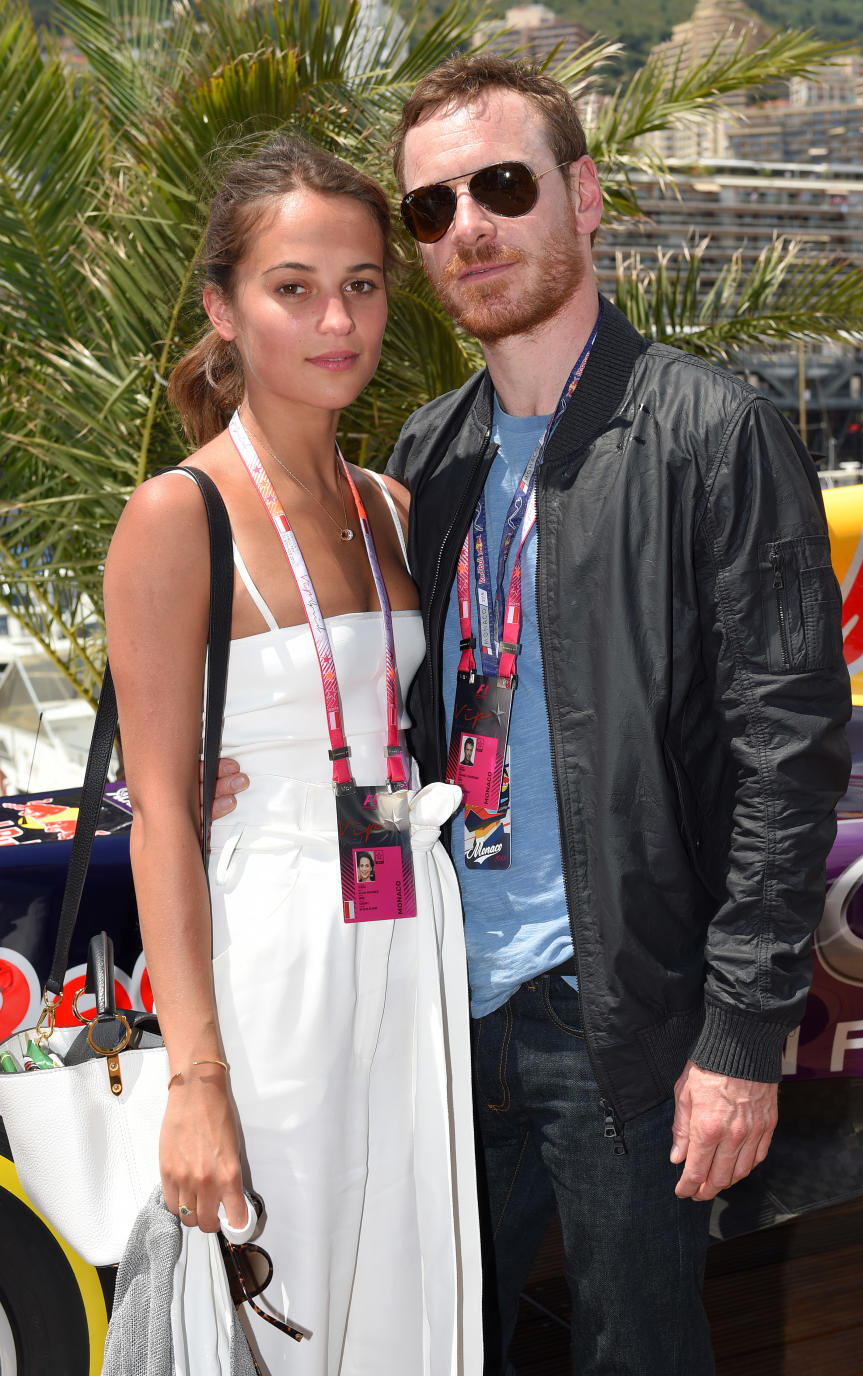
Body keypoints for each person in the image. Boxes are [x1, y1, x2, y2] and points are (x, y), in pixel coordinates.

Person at [215, 56, 851, 1375]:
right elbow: (377, 720)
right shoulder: (423, 466)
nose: (470, 230)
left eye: (501, 186)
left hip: (620, 1019)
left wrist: (740, 1042)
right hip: (437, 1013)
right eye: (434, 210)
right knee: (448, 1347)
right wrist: (237, 772)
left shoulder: (709, 436)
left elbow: (788, 759)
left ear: (585, 195)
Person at [104, 135, 481, 1375]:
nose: (338, 318)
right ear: (224, 305)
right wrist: (195, 1077)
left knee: (405, 1296)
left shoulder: (394, 505)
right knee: (284, 1304)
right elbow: (161, 807)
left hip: (408, 928)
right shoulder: (178, 512)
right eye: (294, 285)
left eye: (364, 283)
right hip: (270, 948)